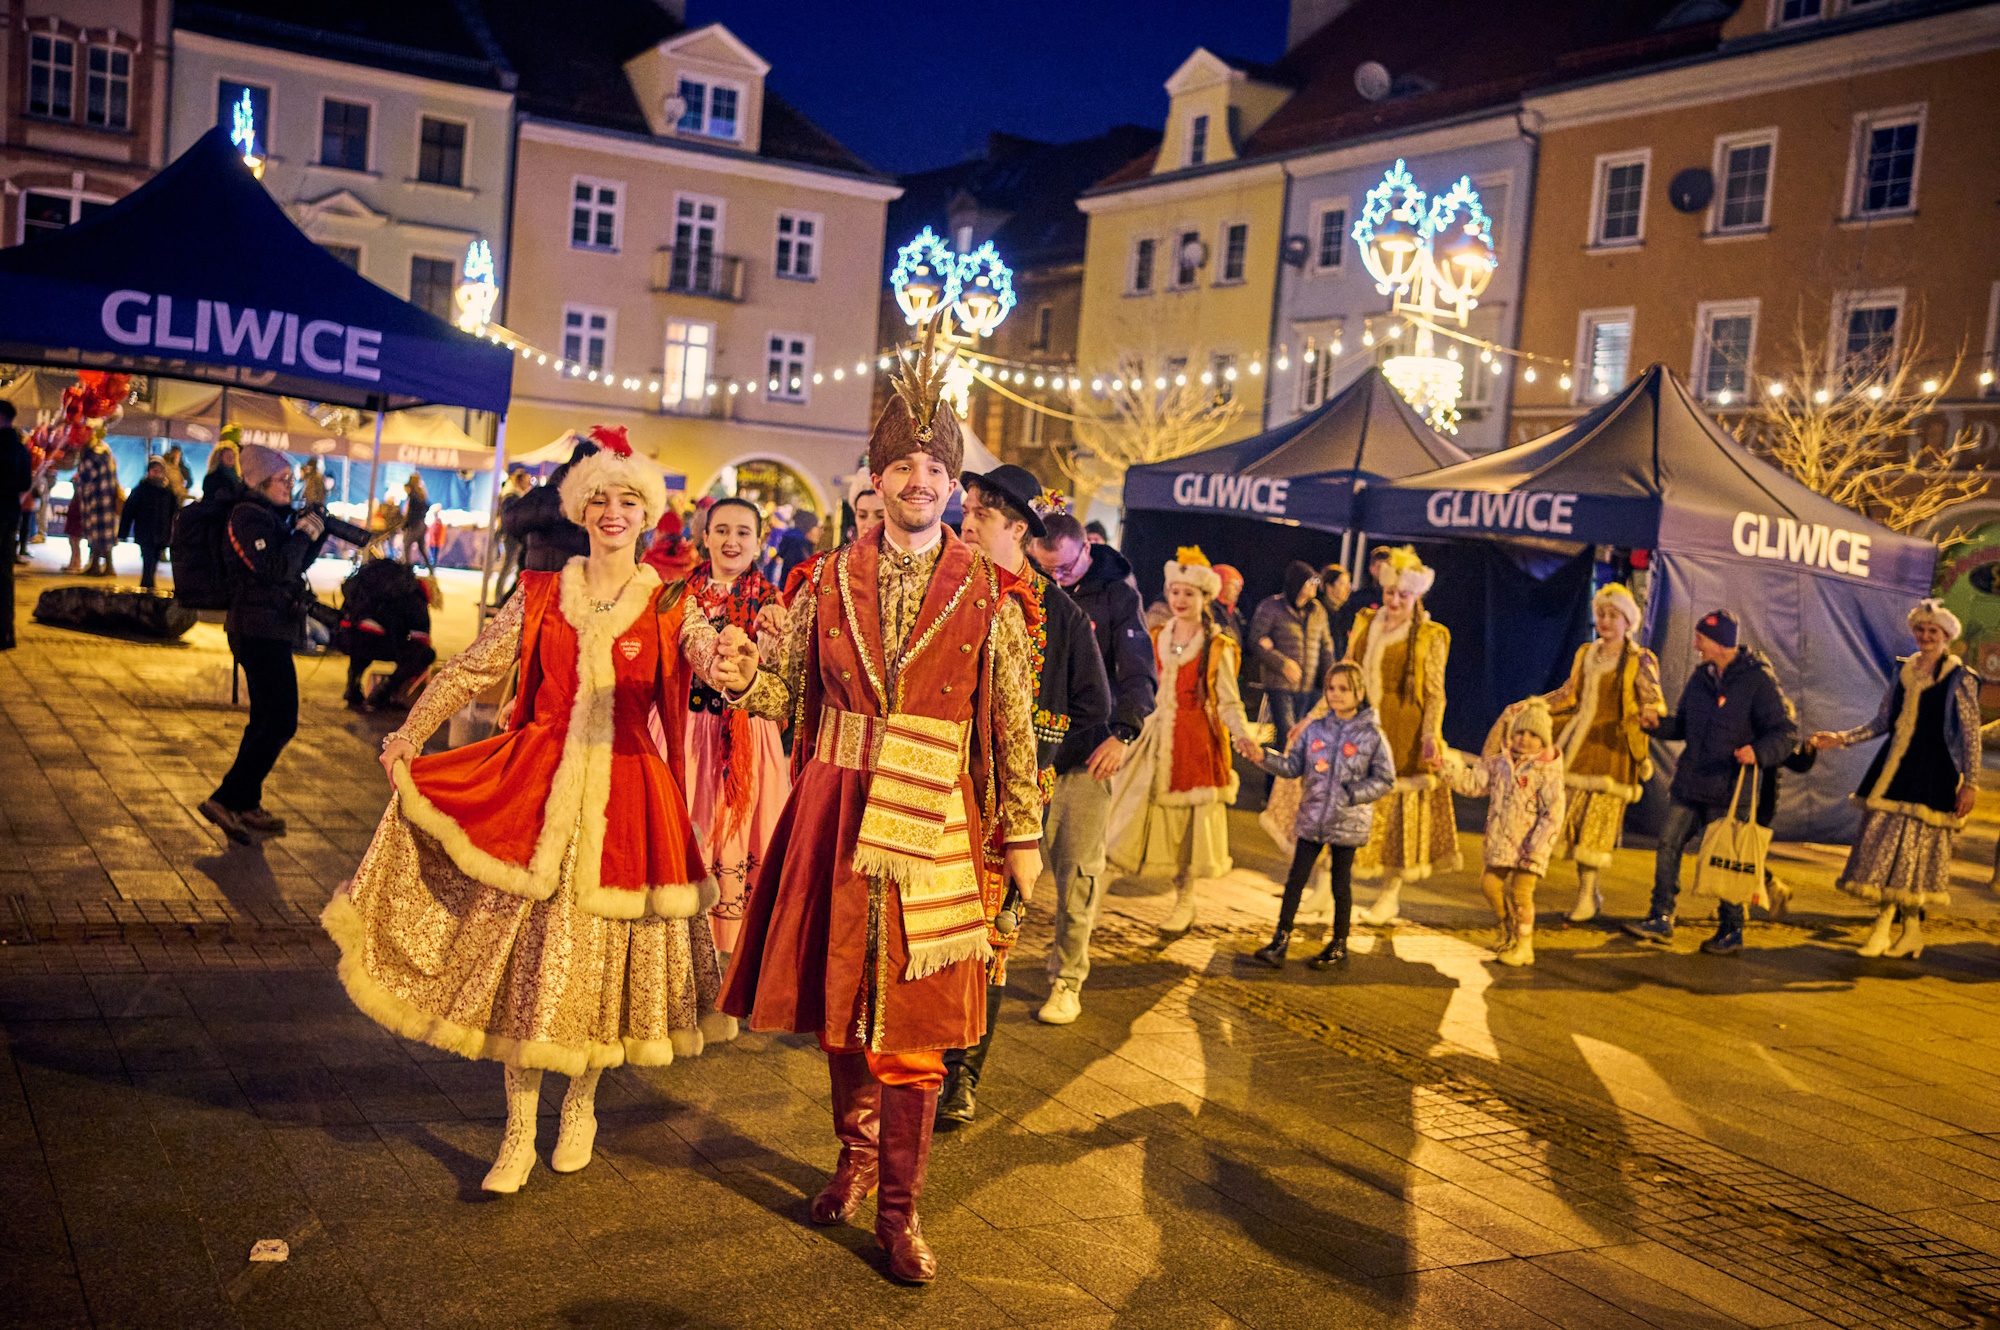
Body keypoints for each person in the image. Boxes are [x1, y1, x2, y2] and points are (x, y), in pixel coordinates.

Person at [703, 339, 1043, 1285]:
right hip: (836, 803)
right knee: (843, 1010)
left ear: (953, 482)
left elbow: (1010, 720)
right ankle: (852, 1160)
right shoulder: (822, 579)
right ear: (879, 478)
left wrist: (1022, 834)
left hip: (934, 815)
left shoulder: (991, 592)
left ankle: (902, 1213)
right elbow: (787, 694)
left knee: (917, 1029)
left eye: (936, 468)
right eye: (903, 467)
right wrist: (741, 681)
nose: (919, 482)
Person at [323, 430, 734, 1194]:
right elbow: (475, 664)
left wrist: (737, 661)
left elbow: (713, 661)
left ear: (649, 515)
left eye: (630, 500)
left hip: (628, 803)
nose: (614, 512)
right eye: (601, 499)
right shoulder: (543, 592)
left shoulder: (673, 604)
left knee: (605, 966)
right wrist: (410, 732)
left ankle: (580, 1105)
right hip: (535, 792)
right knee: (531, 968)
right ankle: (516, 1134)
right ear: (580, 510)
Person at [938, 466, 1109, 1122]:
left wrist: (1038, 748)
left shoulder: (1058, 613)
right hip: (939, 791)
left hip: (1009, 809)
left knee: (990, 945)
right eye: (968, 507)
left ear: (1019, 530)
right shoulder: (948, 589)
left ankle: (963, 1078)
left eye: (984, 513)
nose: (967, 520)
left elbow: (1094, 702)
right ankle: (921, 1063)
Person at [1026, 510, 1156, 1022]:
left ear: (1087, 549)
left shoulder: (1118, 598)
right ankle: (993, 965)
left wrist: (1124, 733)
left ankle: (1068, 978)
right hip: (1029, 758)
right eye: (1046, 569)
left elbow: (1138, 674)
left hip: (1084, 760)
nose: (1055, 580)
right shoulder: (1028, 589)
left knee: (1077, 878)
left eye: (1063, 569)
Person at [1812, 599, 1981, 960]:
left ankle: (1883, 929)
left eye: (1932, 631)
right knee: (1889, 851)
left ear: (1947, 636)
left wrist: (1971, 783)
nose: (1925, 636)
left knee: (1910, 855)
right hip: (1894, 773)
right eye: (1920, 630)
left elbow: (1971, 735)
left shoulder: (1958, 679)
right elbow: (1883, 721)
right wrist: (1841, 738)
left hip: (1933, 777)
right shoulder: (1903, 672)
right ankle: (1912, 932)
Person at [1623, 609, 1796, 954]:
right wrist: (1659, 725)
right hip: (1691, 782)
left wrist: (1757, 751)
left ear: (1719, 642)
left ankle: (1732, 929)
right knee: (1668, 843)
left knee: (1724, 860)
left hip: (1730, 791)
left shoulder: (1758, 681)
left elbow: (1786, 733)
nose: (1695, 645)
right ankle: (1661, 917)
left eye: (1701, 638)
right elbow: (1685, 724)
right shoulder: (1701, 678)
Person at [1105, 546, 1256, 937]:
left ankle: (1185, 900)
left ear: (1205, 597)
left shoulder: (1216, 646)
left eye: (1188, 593)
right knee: (1128, 812)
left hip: (1192, 744)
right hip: (1151, 737)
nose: (1179, 600)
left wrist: (1243, 737)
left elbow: (1227, 700)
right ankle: (1102, 879)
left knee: (1187, 834)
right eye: (1174, 592)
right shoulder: (1156, 635)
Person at [198, 445, 328, 845]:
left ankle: (246, 801)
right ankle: (225, 798)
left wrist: (313, 536)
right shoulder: (246, 516)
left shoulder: (268, 516)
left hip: (271, 627)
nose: (291, 487)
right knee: (282, 719)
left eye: (291, 480)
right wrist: (301, 535)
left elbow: (294, 566)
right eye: (283, 480)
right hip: (256, 630)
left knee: (265, 719)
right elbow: (272, 568)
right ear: (259, 481)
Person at [1516, 583, 1665, 923]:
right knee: (1562, 819)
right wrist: (1535, 706)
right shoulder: (1587, 653)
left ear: (1628, 620)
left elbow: (1653, 699)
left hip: (1613, 752)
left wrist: (1651, 713)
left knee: (1595, 828)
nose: (1606, 621)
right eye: (1601, 614)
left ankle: (1587, 894)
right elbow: (1570, 694)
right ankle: (1554, 891)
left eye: (1613, 615)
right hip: (1577, 748)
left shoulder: (1639, 659)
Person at [682, 496, 788, 963]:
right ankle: (679, 930)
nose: (731, 540)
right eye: (721, 530)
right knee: (686, 823)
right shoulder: (676, 593)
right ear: (704, 537)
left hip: (745, 738)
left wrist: (773, 635)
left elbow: (781, 678)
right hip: (684, 728)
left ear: (759, 542)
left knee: (735, 829)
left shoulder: (772, 603)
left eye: (743, 532)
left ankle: (727, 943)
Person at [1245, 660, 1393, 970]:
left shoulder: (1372, 735)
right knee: (1296, 880)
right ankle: (1280, 939)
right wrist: (1263, 756)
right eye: (1330, 689)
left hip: (1347, 821)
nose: (1335, 695)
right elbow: (1292, 766)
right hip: (1313, 816)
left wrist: (1353, 794)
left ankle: (1339, 944)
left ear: (1359, 692)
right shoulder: (1315, 729)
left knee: (1341, 884)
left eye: (1343, 689)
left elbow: (1385, 779)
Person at [1345, 547, 1458, 926]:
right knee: (1340, 806)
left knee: (1396, 817)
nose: (1394, 600)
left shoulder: (1429, 636)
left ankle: (1389, 893)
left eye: (1403, 595)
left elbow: (1435, 693)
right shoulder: (1366, 623)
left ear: (1416, 596)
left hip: (1402, 735)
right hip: (1358, 730)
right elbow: (1345, 672)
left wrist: (1430, 737)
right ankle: (1325, 887)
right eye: (1390, 592)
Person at [1442, 698, 1566, 967]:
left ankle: (1524, 945)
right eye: (1520, 732)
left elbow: (1553, 814)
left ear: (1545, 740)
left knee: (1521, 894)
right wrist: (1448, 767)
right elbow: (1474, 784)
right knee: (1490, 885)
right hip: (1502, 843)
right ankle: (1507, 926)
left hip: (1531, 848)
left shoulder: (1547, 772)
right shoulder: (1500, 764)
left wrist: (1537, 848)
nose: (1524, 739)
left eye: (1533, 735)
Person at [1249, 560, 1337, 744]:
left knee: (1302, 735)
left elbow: (1326, 646)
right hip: (1280, 683)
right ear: (1298, 583)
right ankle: (1277, 773)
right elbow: (1255, 640)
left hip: (1309, 684)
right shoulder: (1271, 607)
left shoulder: (1318, 611)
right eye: (1310, 581)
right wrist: (1282, 664)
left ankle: (1287, 772)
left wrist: (1330, 678)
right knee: (1287, 733)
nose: (1315, 586)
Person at [337, 556, 435, 711]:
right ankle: (383, 691)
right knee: (425, 654)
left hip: (346, 637)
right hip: (374, 641)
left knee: (364, 636)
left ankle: (353, 687)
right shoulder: (415, 596)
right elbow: (421, 640)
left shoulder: (374, 585)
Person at [501, 432, 599, 572]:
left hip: (581, 586)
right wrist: (557, 510)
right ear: (574, 466)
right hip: (543, 582)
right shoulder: (548, 493)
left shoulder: (601, 501)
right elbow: (511, 520)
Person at [119, 456, 180, 592]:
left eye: (159, 470)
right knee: (148, 558)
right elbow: (128, 511)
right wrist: (123, 532)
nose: (156, 472)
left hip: (162, 533)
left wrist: (175, 532)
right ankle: (147, 584)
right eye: (154, 469)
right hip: (145, 532)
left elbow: (175, 513)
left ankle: (148, 584)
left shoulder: (168, 492)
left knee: (155, 559)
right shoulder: (141, 490)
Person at [70, 435, 121, 577]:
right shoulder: (104, 455)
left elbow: (86, 479)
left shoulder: (90, 458)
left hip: (95, 501)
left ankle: (99, 566)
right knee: (105, 534)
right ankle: (103, 566)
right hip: (107, 499)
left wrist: (76, 481)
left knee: (96, 533)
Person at [0, 401, 28, 649]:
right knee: (5, 574)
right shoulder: (21, 450)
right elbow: (25, 485)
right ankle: (6, 632)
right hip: (10, 515)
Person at [1334, 546, 1393, 649]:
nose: (1384, 571)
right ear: (1372, 569)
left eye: (1388, 567)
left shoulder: (1398, 600)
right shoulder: (1359, 598)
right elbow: (1344, 628)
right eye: (1380, 567)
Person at [1319, 562, 1352, 657]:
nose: (1348, 588)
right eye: (1342, 584)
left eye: (1348, 584)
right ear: (1329, 587)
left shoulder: (1343, 614)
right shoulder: (1319, 612)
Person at [1212, 564, 1246, 645]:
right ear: (1221, 582)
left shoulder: (1234, 614)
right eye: (1235, 584)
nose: (1239, 590)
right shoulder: (1208, 610)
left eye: (1240, 586)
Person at [400, 474, 429, 565]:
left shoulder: (413, 496)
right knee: (421, 548)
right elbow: (426, 506)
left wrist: (406, 524)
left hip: (415, 525)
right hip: (421, 524)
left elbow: (410, 513)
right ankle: (430, 568)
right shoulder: (421, 493)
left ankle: (408, 567)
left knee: (407, 545)